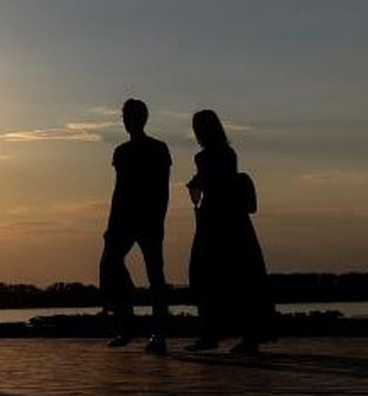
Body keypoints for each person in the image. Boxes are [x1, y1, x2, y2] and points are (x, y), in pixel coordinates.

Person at [186, 109, 274, 355]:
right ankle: (241, 335)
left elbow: (211, 183)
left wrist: (197, 183)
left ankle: (214, 333)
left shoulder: (204, 158)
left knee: (208, 277)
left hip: (216, 222)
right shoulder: (228, 154)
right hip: (234, 223)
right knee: (240, 278)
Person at [99, 98, 172, 354]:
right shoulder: (121, 152)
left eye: (131, 115)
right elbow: (118, 191)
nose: (127, 120)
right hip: (123, 220)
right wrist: (111, 224)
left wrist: (158, 218)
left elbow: (163, 189)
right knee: (110, 264)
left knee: (155, 274)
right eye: (125, 116)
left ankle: (159, 333)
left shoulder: (158, 149)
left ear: (142, 118)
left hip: (149, 219)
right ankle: (126, 324)